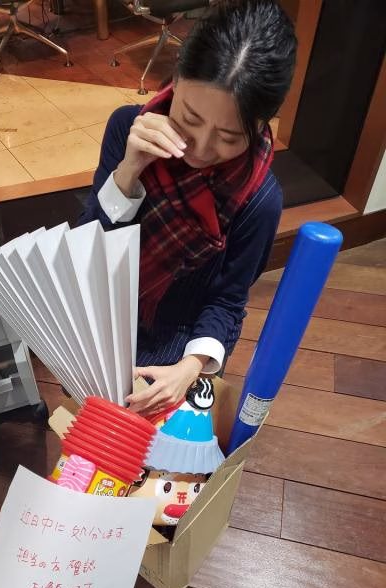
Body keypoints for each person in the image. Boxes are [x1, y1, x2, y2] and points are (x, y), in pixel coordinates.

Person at [78, 0, 297, 416]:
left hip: (180, 339)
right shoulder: (127, 128)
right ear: (177, 80)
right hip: (103, 316)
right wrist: (129, 172)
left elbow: (227, 301)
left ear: (261, 124)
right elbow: (88, 248)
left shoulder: (258, 198)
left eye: (229, 137)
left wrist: (190, 367)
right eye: (190, 119)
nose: (201, 147)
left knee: (157, 442)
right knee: (91, 430)